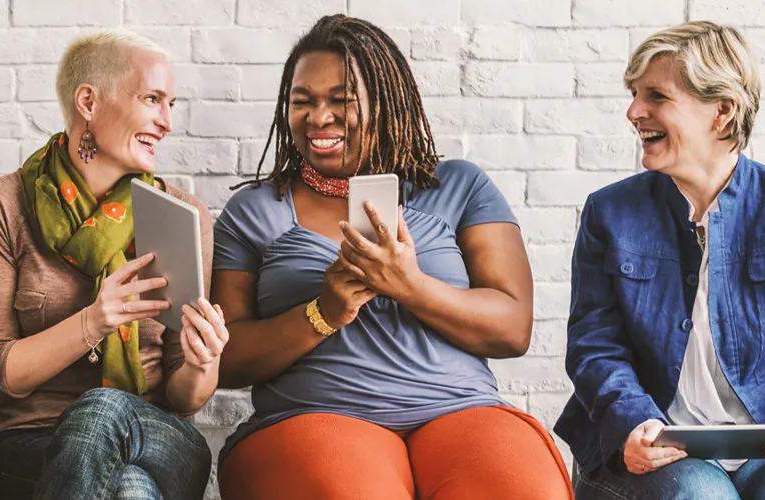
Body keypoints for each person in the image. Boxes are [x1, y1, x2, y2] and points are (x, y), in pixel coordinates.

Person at [209, 15, 569, 499]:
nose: (318, 117)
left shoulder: (460, 188)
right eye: (303, 102)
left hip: (460, 411)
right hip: (317, 415)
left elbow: (512, 329)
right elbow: (225, 361)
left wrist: (410, 285)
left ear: (385, 103)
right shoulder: (254, 211)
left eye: (341, 100)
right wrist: (323, 313)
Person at [557, 21, 765, 499]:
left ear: (722, 112)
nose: (633, 111)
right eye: (635, 94)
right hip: (658, 448)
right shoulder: (610, 213)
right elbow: (593, 346)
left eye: (655, 96)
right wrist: (632, 423)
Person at [0, 30, 229, 500]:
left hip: (158, 435)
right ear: (88, 100)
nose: (166, 122)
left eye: (171, 104)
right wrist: (92, 322)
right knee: (128, 488)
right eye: (152, 99)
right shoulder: (0, 204)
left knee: (103, 408)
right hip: (26, 439)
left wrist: (203, 361)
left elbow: (184, 398)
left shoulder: (181, 214)